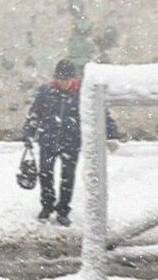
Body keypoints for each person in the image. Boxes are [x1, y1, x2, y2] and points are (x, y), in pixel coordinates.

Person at [22, 59, 118, 226]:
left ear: (73, 78)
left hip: (71, 142)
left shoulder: (83, 94)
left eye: (66, 79)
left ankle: (63, 210)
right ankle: (47, 205)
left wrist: (112, 133)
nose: (63, 82)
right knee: (45, 174)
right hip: (48, 140)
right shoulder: (46, 92)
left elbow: (101, 113)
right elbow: (35, 114)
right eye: (60, 79)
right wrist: (28, 134)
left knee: (67, 178)